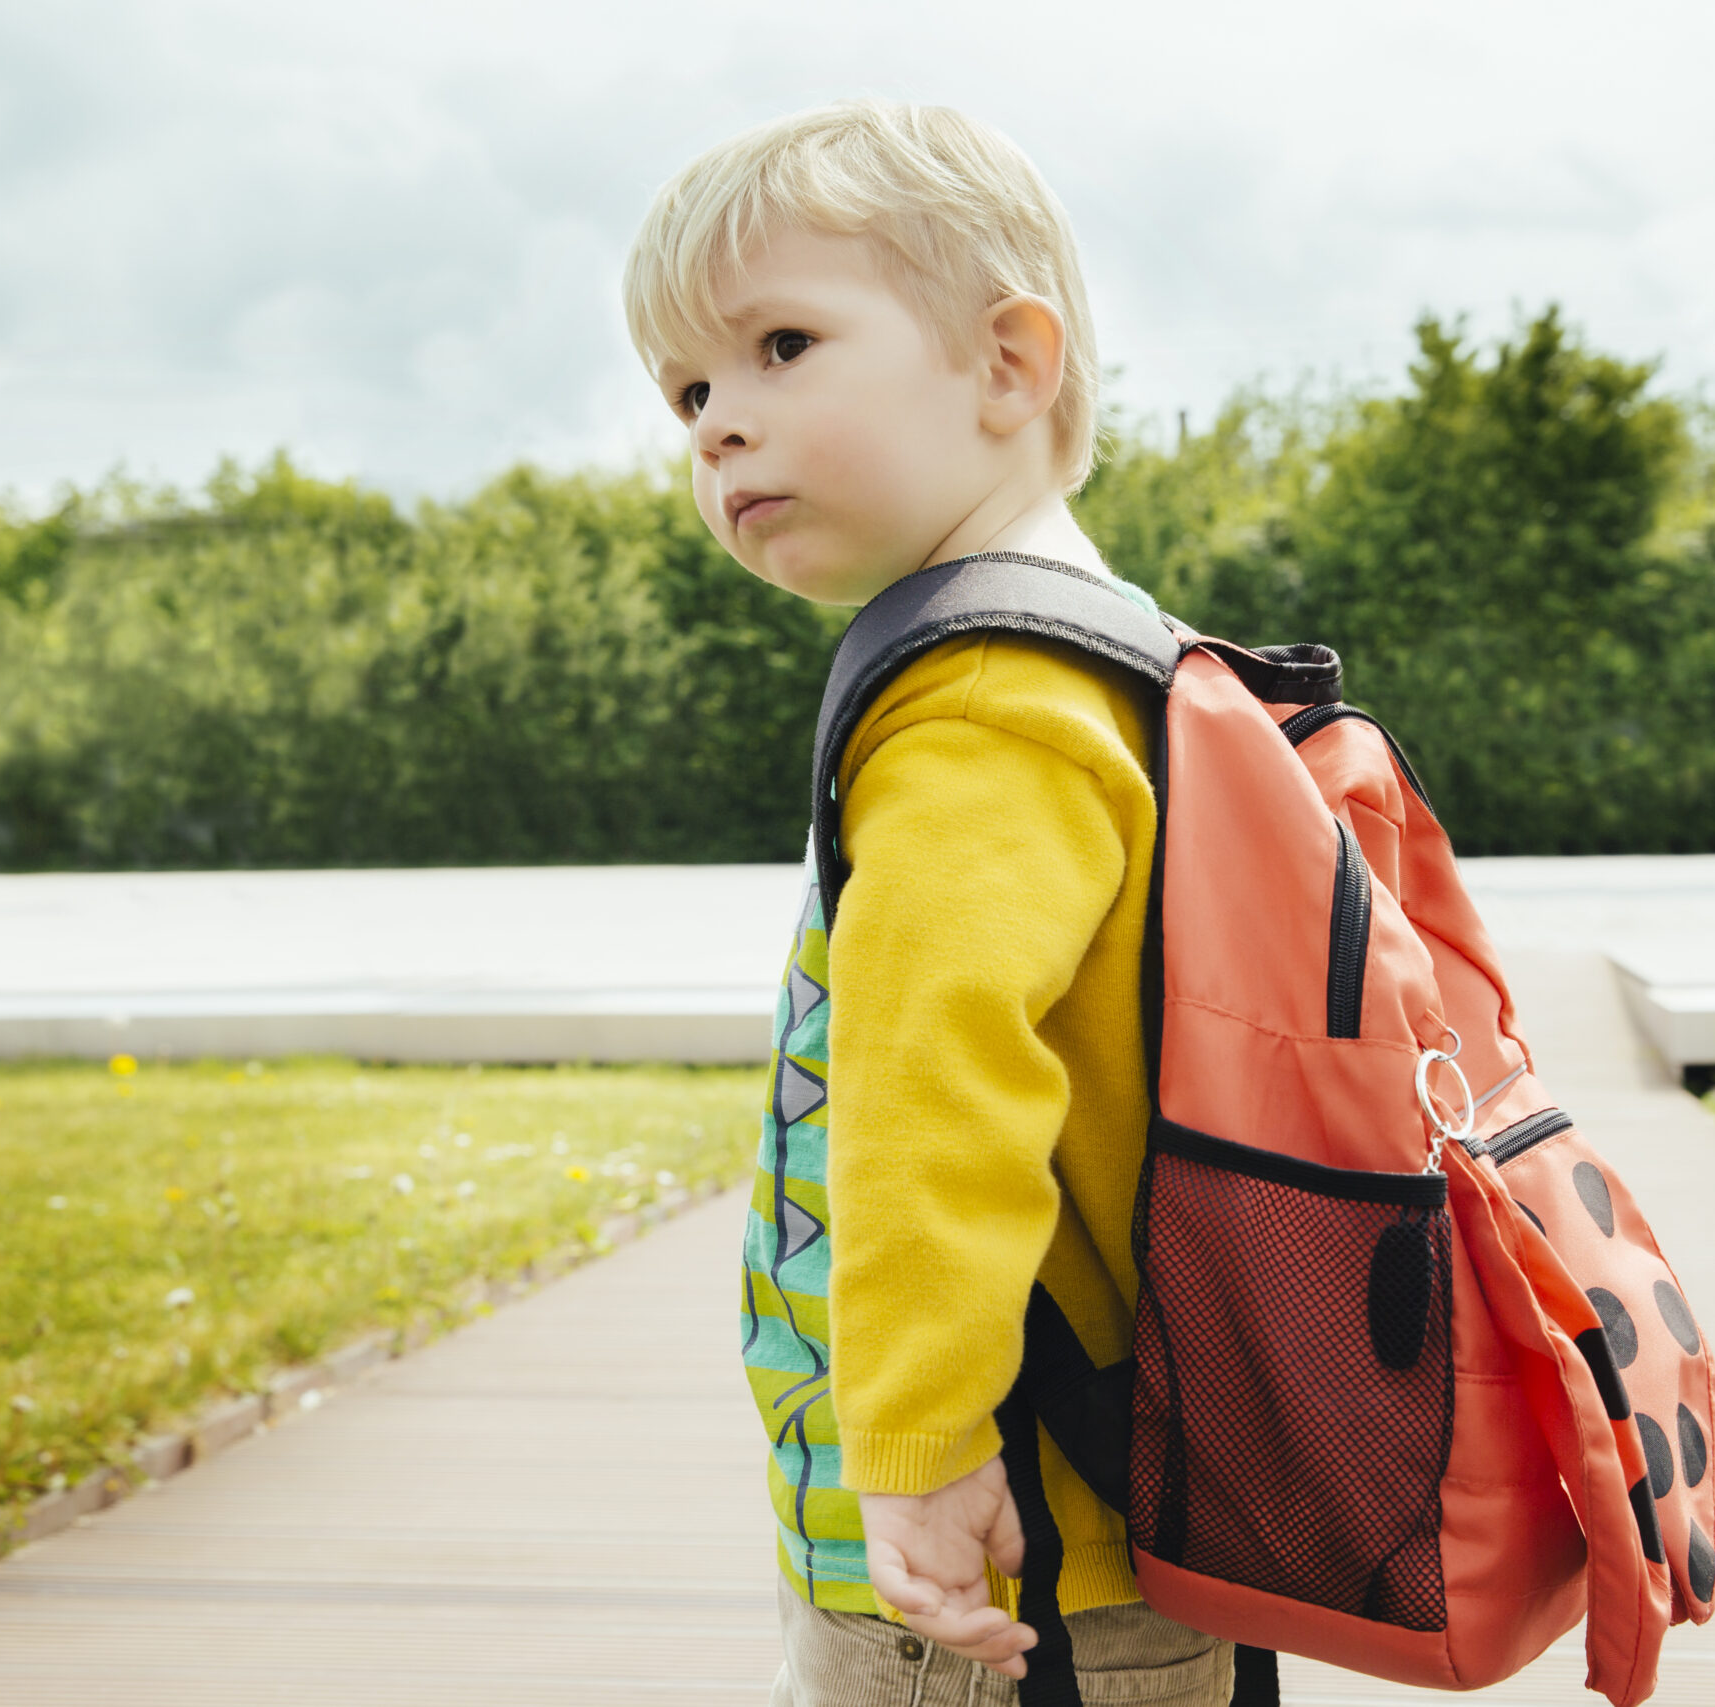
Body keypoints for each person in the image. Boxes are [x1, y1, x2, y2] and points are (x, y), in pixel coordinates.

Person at [622, 100, 1233, 1707]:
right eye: (688, 387)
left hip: (994, 1546)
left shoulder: (975, 713)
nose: (713, 424)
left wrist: (915, 1447)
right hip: (1108, 1501)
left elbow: (934, 1096)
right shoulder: (1110, 654)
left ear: (1007, 366)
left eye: (780, 345)